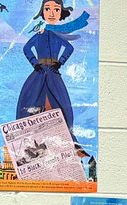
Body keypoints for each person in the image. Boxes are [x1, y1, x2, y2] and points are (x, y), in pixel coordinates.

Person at [17, 2, 80, 135]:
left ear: (60, 13)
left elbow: (70, 48)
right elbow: (26, 48)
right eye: (47, 9)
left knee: (60, 101)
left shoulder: (58, 35)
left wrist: (60, 62)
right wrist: (35, 63)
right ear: (42, 12)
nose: (51, 13)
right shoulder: (39, 35)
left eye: (56, 10)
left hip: (53, 72)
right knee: (30, 99)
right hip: (39, 72)